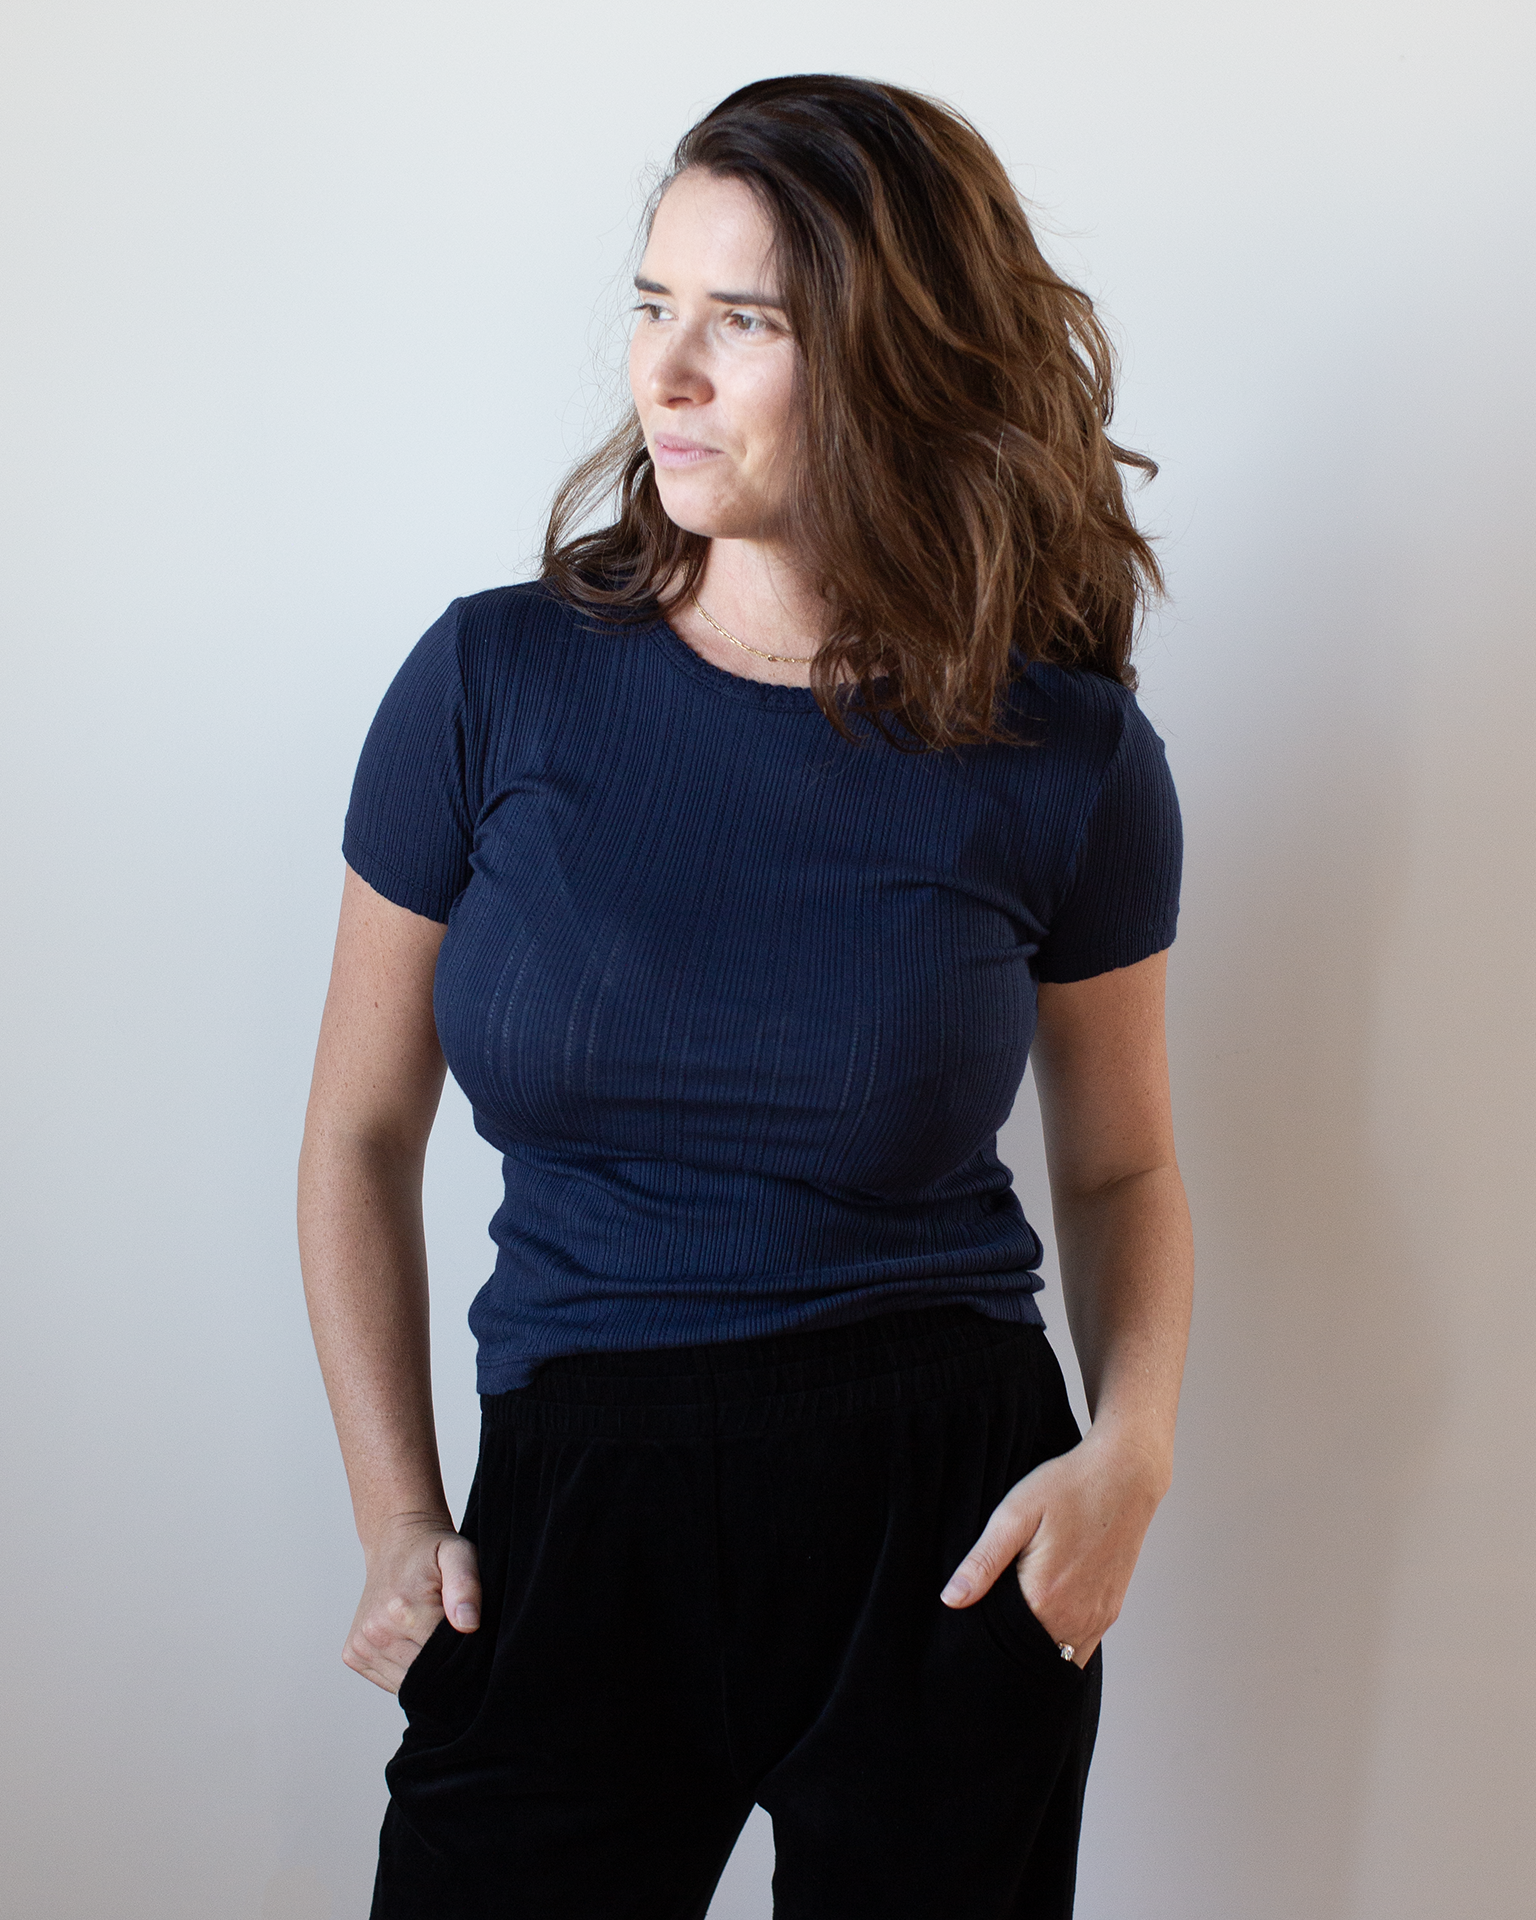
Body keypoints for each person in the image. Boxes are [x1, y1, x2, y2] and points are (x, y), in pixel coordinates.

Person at [298, 73, 1193, 1920]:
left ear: (892, 357)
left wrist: (1129, 1456)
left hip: (942, 1527)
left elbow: (1120, 1171)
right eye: (651, 305)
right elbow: (360, 1132)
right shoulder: (492, 683)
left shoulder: (1067, 755)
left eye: (743, 321)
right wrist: (401, 1517)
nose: (665, 372)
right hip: (575, 1492)